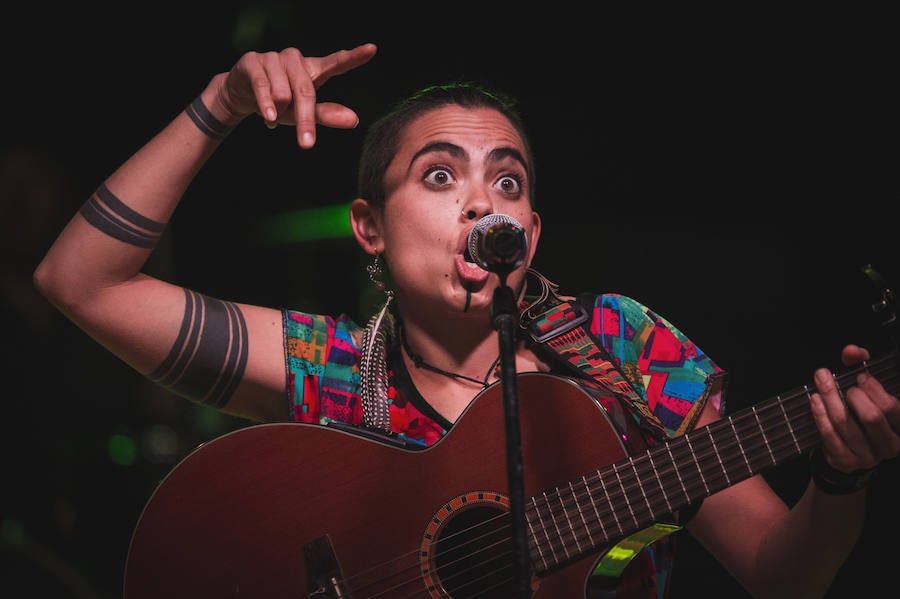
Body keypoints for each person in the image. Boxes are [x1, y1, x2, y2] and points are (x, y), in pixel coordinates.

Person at [32, 42, 899, 599]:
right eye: (440, 175)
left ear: (531, 231)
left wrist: (840, 480)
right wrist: (217, 106)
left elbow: (783, 575)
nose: (483, 197)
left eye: (509, 181)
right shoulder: (336, 367)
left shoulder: (624, 348)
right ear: (369, 226)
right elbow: (80, 281)